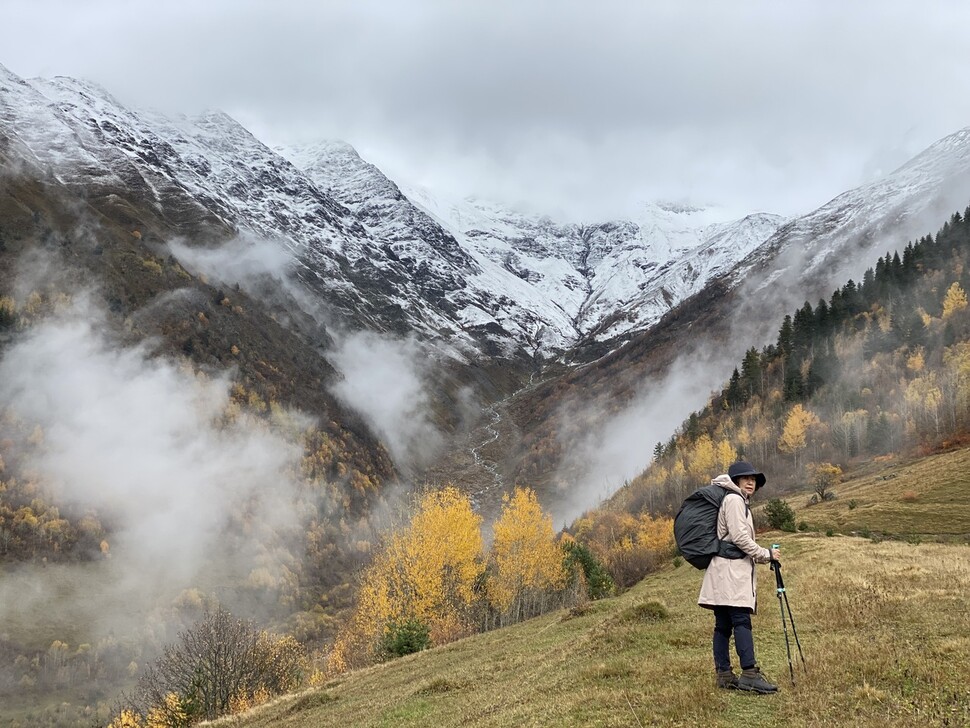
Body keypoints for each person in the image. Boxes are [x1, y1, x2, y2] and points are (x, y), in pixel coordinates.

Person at [697, 461, 780, 693]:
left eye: (753, 479)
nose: (751, 482)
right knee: (740, 620)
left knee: (723, 624)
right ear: (735, 481)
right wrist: (766, 554)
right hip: (731, 572)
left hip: (722, 571)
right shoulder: (734, 500)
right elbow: (740, 538)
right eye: (745, 478)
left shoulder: (734, 500)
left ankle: (724, 674)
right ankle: (749, 674)